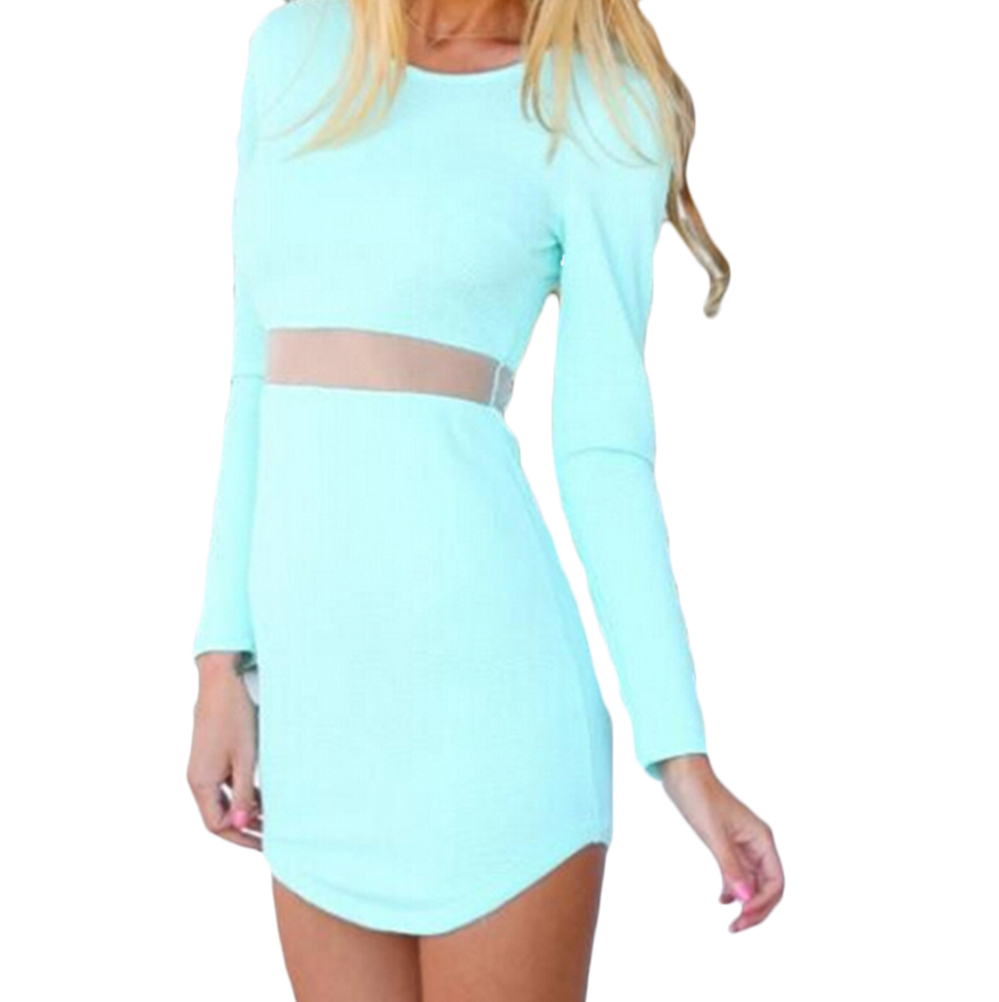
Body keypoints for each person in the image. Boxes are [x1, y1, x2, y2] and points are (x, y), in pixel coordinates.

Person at [187, 1, 784, 998]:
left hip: (497, 729)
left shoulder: (599, 105)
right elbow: (256, 375)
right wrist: (220, 660)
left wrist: (680, 754)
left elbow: (602, 451)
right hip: (320, 721)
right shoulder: (296, 49)